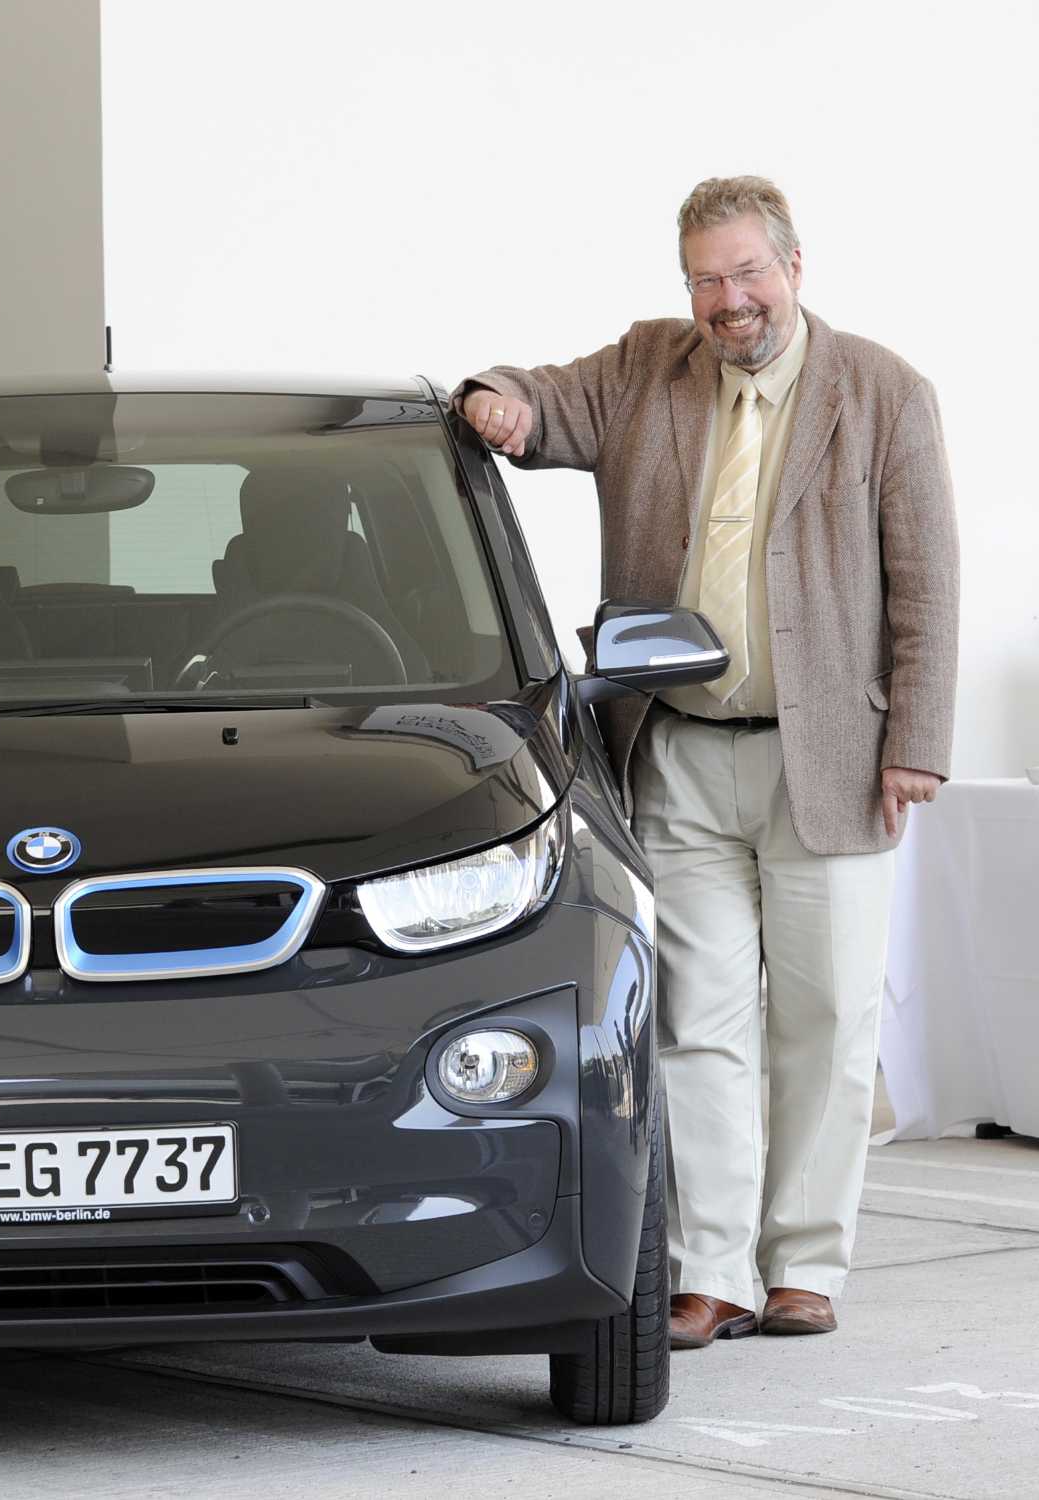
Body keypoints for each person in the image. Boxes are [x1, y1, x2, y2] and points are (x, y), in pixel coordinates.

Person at [456, 177, 958, 1348]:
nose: (727, 301)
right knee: (696, 1023)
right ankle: (714, 1269)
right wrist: (496, 399)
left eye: (744, 274)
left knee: (824, 1022)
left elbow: (927, 580)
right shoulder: (649, 366)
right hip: (676, 750)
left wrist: (916, 743)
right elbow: (541, 403)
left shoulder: (880, 392)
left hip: (832, 758)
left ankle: (804, 1264)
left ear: (792, 266)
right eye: (703, 280)